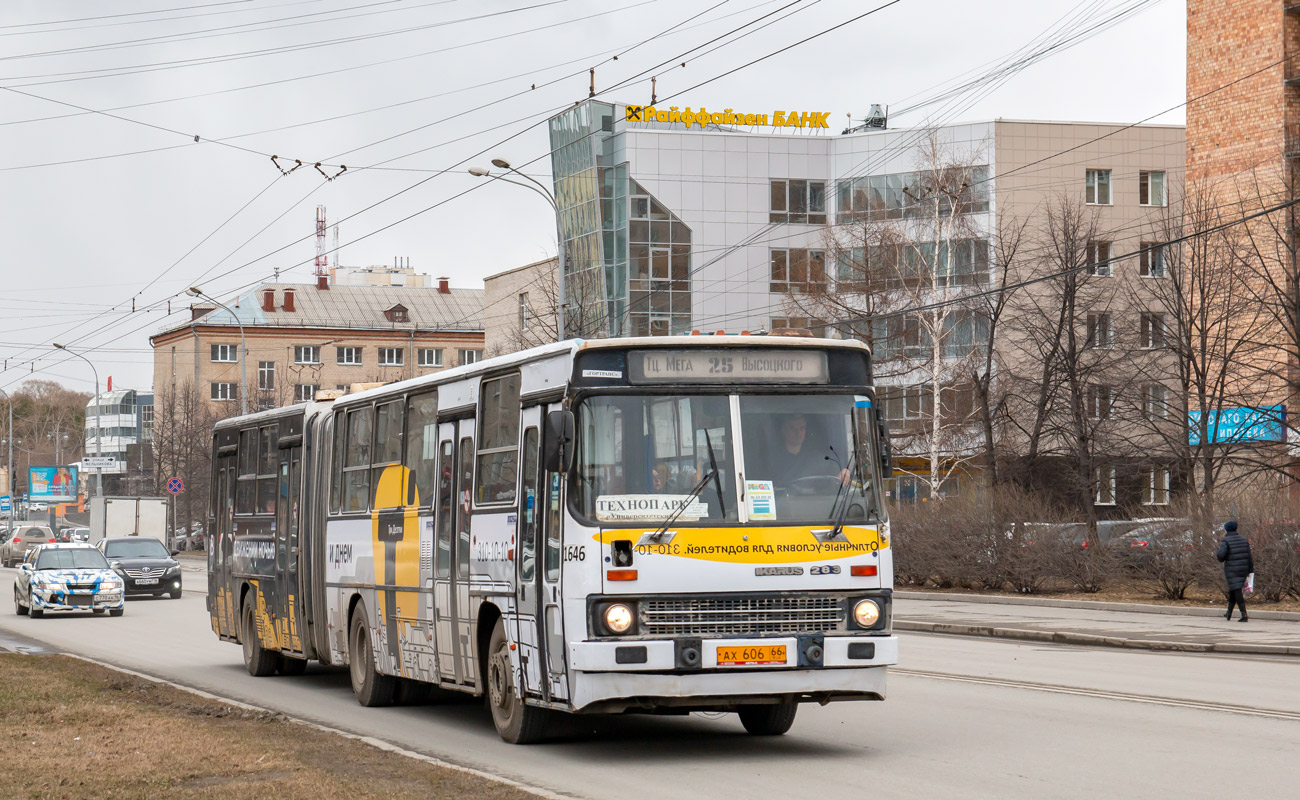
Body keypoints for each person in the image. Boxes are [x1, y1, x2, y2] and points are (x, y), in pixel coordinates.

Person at [768, 414, 849, 492]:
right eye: (792, 428)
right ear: (783, 430)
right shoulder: (772, 459)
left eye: (801, 428)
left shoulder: (816, 458)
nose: (798, 433)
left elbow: (836, 473)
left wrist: (844, 472)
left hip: (814, 504)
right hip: (784, 504)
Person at [1216, 520, 1254, 622]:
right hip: (1244, 568)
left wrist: (1219, 552)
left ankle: (1244, 614)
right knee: (1233, 590)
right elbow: (1249, 556)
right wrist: (1250, 570)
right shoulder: (1243, 539)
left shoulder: (1226, 540)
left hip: (1232, 569)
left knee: (1236, 590)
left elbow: (1221, 556)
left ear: (1227, 529)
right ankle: (1228, 613)